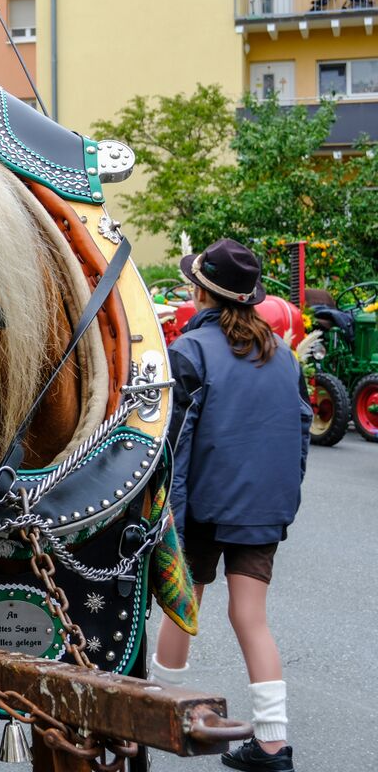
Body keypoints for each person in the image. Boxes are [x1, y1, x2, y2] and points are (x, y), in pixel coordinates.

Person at [153, 238, 311, 772]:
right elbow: (300, 436)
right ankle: (273, 746)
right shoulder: (284, 356)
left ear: (201, 294)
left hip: (202, 505)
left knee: (183, 603)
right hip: (263, 507)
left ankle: (158, 715)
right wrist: (282, 502)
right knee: (250, 616)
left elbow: (173, 446)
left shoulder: (189, 352)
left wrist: (168, 521)